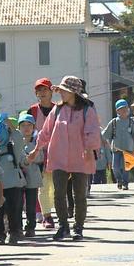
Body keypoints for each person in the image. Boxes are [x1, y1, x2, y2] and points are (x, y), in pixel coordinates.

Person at [28, 76, 101, 241]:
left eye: (64, 90)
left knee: (79, 195)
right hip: (59, 156)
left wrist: (90, 149)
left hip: (81, 157)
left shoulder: (87, 110)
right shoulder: (58, 109)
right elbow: (46, 131)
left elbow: (92, 130)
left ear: (73, 92)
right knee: (58, 193)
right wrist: (36, 149)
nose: (60, 93)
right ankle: (63, 226)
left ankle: (78, 228)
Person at [0, 112, 26, 245]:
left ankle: (14, 233)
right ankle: (0, 234)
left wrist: (11, 128)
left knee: (14, 210)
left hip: (13, 184)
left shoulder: (12, 147)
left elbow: (19, 140)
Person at [26, 77, 56, 229]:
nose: (42, 92)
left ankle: (47, 210)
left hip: (57, 152)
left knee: (54, 186)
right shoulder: (32, 110)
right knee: (42, 185)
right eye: (39, 90)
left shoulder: (59, 109)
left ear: (51, 91)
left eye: (45, 89)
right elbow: (26, 130)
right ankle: (47, 216)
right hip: (38, 153)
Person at [102, 100, 134, 191]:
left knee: (126, 168)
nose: (124, 111)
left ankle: (125, 183)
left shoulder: (131, 122)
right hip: (116, 149)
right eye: (121, 109)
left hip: (128, 148)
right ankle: (119, 180)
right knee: (115, 167)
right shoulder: (114, 122)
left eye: (125, 108)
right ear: (117, 111)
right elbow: (105, 133)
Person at [18, 113, 43, 237]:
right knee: (17, 203)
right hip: (18, 178)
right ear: (19, 127)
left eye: (29, 125)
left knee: (31, 204)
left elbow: (40, 158)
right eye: (23, 125)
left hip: (32, 176)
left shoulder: (37, 143)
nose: (26, 128)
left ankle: (31, 226)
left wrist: (28, 159)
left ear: (33, 128)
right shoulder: (15, 143)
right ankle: (18, 227)